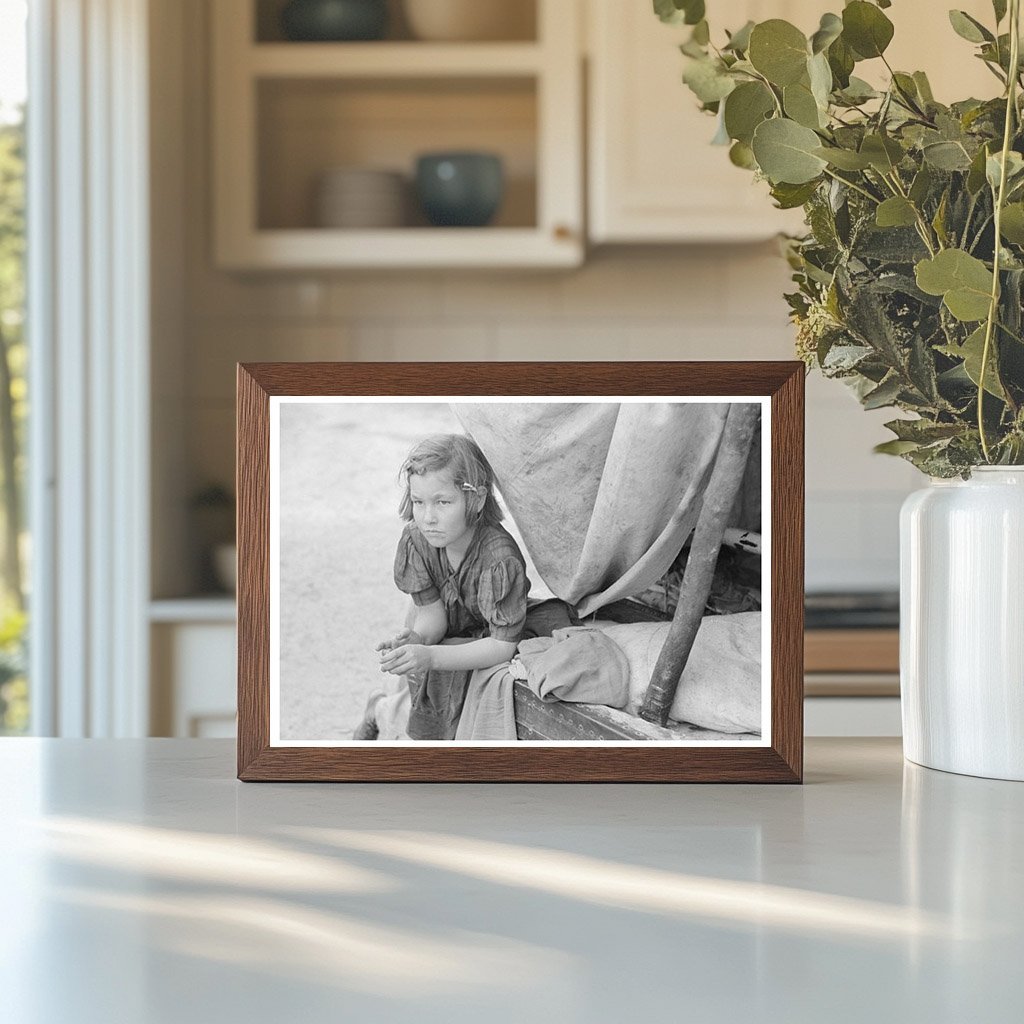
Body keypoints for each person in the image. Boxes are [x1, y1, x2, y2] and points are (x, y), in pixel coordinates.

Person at [373, 433, 531, 740]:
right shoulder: (417, 539)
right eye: (419, 502)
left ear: (477, 498)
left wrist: (431, 656)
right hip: (450, 633)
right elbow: (433, 615)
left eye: (443, 502)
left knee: (469, 696)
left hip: (490, 641)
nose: (428, 517)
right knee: (421, 683)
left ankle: (385, 712)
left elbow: (502, 646)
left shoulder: (499, 561)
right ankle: (383, 711)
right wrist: (417, 640)